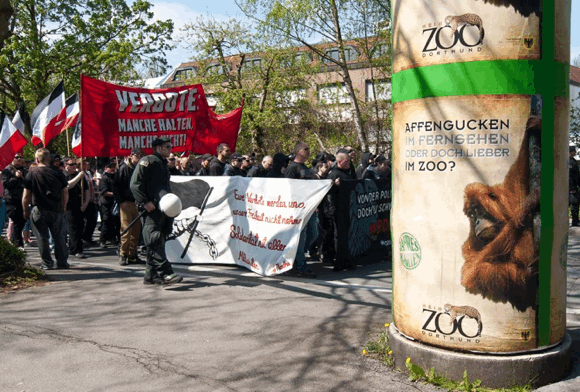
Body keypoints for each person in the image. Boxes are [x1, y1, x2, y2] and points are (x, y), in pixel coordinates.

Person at [130, 137, 183, 285]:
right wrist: (144, 202)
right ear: (158, 148)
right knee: (153, 239)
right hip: (151, 208)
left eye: (170, 146)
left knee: (159, 239)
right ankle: (166, 272)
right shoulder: (148, 161)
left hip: (163, 208)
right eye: (167, 146)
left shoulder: (162, 164)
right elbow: (135, 184)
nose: (170, 149)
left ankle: (151, 275)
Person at [22, 148, 69, 270]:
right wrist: (64, 206)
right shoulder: (58, 173)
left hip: (39, 209)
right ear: (50, 159)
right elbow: (65, 192)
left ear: (37, 159)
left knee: (42, 238)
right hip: (56, 209)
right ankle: (62, 262)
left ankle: (47, 263)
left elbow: (26, 195)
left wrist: (25, 210)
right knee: (59, 237)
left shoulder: (31, 173)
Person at [284, 142, 318, 278]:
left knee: (313, 233)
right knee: (301, 237)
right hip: (297, 208)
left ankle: (297, 261)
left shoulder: (306, 168)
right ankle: (300, 266)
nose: (308, 151)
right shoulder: (292, 168)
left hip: (308, 207)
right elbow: (287, 187)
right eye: (306, 149)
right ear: (298, 151)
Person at [326, 148, 357, 271]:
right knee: (339, 236)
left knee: (345, 236)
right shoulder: (334, 174)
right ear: (341, 162)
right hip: (337, 209)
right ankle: (339, 262)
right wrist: (334, 185)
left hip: (347, 207)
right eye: (347, 160)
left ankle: (346, 260)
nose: (350, 162)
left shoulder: (347, 172)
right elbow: (326, 191)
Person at [115, 148, 144, 265]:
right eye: (137, 156)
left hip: (137, 203)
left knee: (136, 230)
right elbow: (116, 186)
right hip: (126, 202)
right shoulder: (124, 168)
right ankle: (123, 253)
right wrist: (121, 201)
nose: (139, 158)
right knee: (126, 229)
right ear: (131, 156)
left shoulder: (140, 169)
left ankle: (132, 254)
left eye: (141, 156)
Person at [64, 158, 90, 259]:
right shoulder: (64, 175)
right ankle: (77, 250)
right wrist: (79, 176)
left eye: (75, 164)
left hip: (80, 204)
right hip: (69, 205)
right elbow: (67, 186)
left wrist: (86, 202)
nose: (74, 166)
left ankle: (72, 247)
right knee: (73, 228)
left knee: (80, 227)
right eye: (71, 165)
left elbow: (87, 190)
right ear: (66, 165)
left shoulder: (80, 176)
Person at [2, 154, 28, 247]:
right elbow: (6, 184)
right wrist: (15, 177)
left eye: (21, 157)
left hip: (24, 200)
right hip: (12, 201)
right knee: (16, 222)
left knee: (22, 222)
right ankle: (18, 244)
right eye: (17, 157)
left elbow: (28, 183)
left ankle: (16, 241)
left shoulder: (25, 170)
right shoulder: (7, 170)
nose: (19, 159)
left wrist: (22, 177)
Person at [98, 162, 119, 247]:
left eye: (114, 166)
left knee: (116, 221)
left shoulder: (116, 177)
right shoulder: (104, 178)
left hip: (115, 203)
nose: (112, 168)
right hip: (106, 203)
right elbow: (104, 192)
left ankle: (113, 239)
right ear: (106, 168)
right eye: (110, 167)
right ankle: (102, 240)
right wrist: (115, 193)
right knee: (106, 221)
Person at [570, 145, 580, 226]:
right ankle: (575, 221)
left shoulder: (564, 161)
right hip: (572, 187)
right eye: (574, 151)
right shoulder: (572, 162)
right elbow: (575, 176)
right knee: (574, 203)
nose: (575, 152)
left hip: (564, 186)